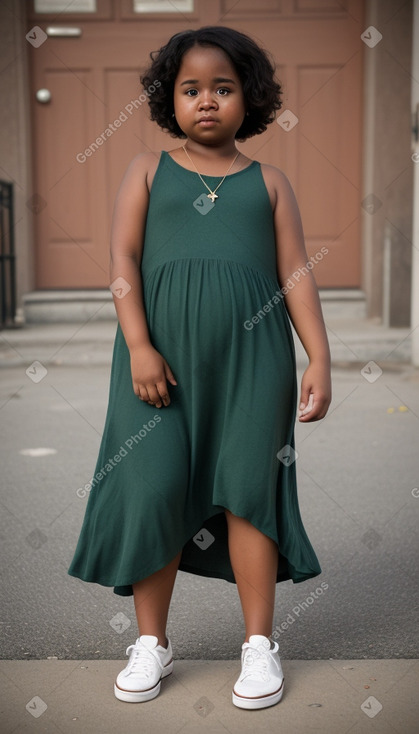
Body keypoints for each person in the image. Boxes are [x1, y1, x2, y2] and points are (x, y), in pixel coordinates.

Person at [68, 25, 332, 711]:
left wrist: (320, 357)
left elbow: (295, 275)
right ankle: (151, 643)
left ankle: (257, 645)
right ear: (168, 98)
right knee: (152, 489)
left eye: (223, 88)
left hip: (254, 362)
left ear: (251, 99)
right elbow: (122, 264)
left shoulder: (269, 183)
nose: (206, 101)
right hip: (159, 365)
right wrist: (139, 346)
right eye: (191, 89)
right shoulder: (147, 171)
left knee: (248, 495)